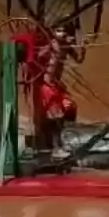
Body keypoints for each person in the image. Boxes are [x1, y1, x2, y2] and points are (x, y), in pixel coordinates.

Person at [37, 25, 86, 154]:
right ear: (54, 33)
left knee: (70, 108)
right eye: (58, 31)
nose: (62, 33)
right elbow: (38, 56)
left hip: (57, 85)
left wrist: (82, 46)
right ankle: (56, 147)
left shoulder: (67, 47)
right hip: (48, 86)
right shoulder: (52, 44)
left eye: (64, 31)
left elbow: (79, 59)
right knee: (56, 116)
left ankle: (59, 142)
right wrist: (48, 48)